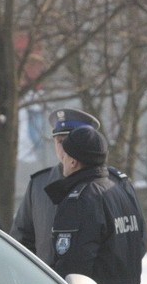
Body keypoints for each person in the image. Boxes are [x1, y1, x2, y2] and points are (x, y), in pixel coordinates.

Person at [44, 126, 146, 284]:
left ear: (73, 161)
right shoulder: (120, 189)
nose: (61, 160)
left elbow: (73, 267)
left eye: (65, 156)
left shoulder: (81, 200)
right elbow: (140, 244)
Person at [11, 108, 102, 263]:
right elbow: (21, 239)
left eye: (70, 141)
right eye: (60, 141)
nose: (64, 148)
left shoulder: (106, 186)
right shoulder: (39, 185)